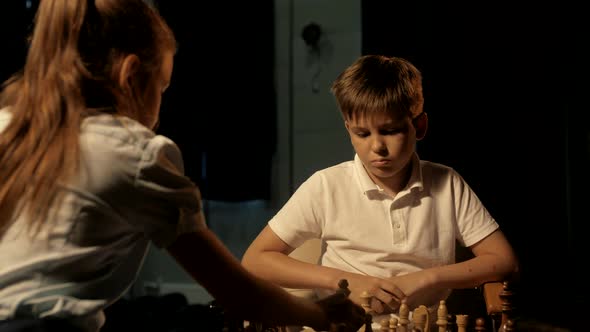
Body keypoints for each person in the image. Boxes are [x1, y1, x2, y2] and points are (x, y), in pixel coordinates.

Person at [0, 1, 366, 332]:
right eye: (161, 88)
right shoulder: (134, 153)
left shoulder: (7, 125)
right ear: (130, 76)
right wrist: (322, 316)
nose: (159, 110)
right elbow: (237, 293)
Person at [241, 55, 519, 323]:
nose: (377, 147)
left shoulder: (447, 183)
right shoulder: (325, 186)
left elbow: (505, 261)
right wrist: (342, 281)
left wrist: (428, 277)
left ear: (419, 126)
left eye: (390, 131)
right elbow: (255, 260)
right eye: (362, 134)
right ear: (348, 128)